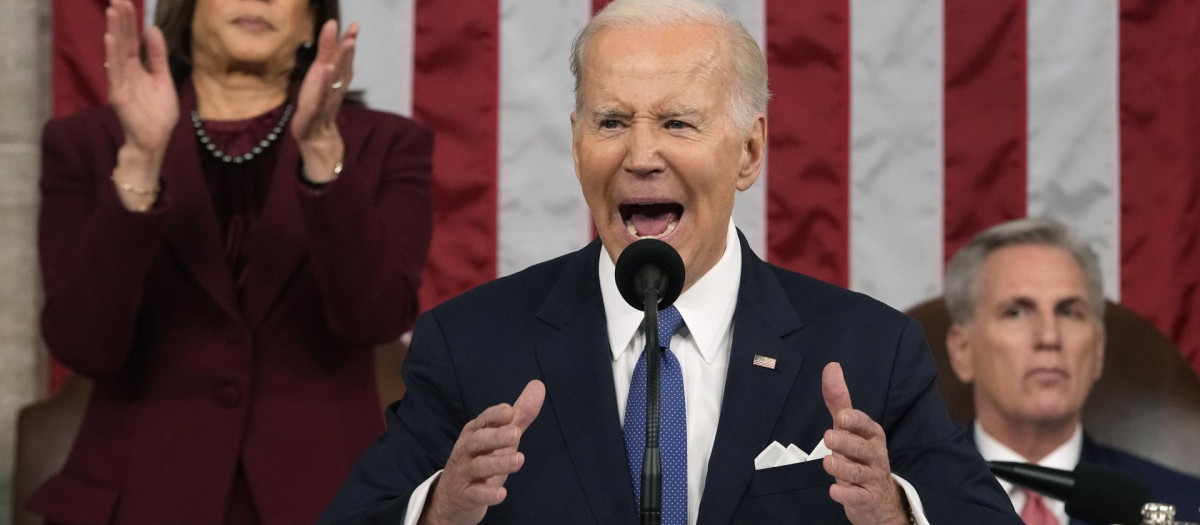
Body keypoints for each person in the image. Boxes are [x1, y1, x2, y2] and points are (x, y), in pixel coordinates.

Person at [320, 1, 1020, 524]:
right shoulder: (472, 346)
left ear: (748, 151)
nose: (641, 154)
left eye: (678, 122)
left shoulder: (868, 352)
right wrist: (438, 508)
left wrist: (896, 510)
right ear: (576, 144)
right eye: (611, 122)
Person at [29, 0, 432, 523]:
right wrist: (140, 166)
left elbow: (374, 319)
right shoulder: (89, 143)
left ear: (313, 20)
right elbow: (83, 346)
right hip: (138, 498)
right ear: (186, 9)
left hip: (323, 498)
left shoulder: (388, 144)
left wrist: (321, 156)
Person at [943, 218, 1200, 525]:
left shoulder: (1183, 504)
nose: (1049, 337)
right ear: (963, 351)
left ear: (1099, 349)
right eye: (1016, 312)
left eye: (1069, 312)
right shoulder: (901, 499)